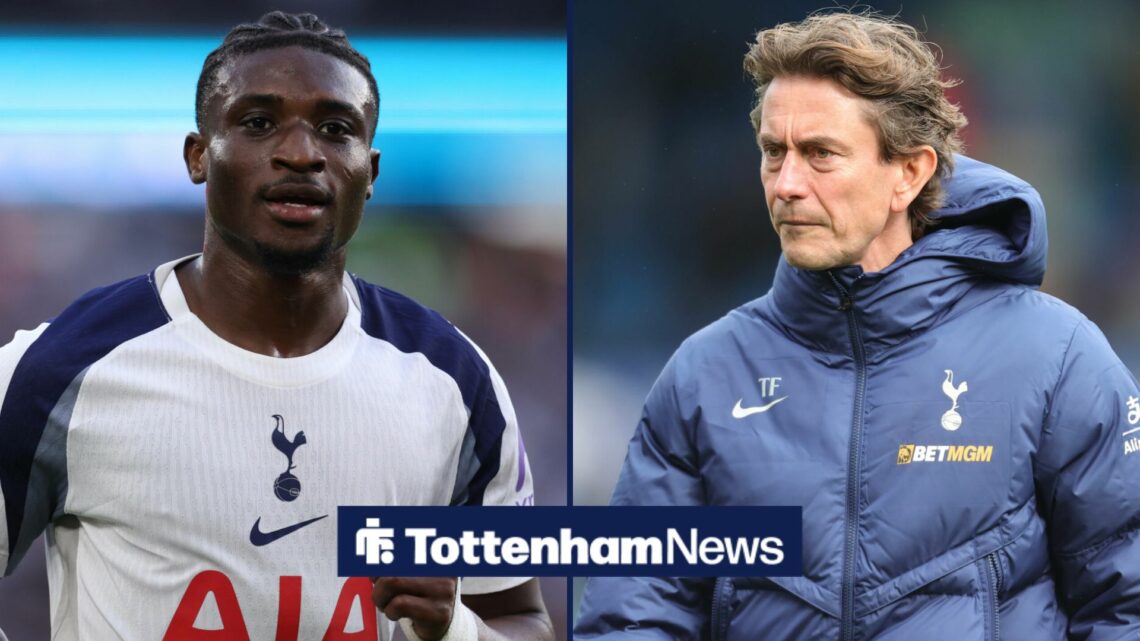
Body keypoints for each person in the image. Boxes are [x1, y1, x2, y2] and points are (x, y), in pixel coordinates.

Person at [575, 11, 1140, 641]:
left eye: (820, 154)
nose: (787, 185)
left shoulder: (1057, 358)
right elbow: (634, 616)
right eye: (773, 152)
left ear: (909, 173)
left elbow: (1127, 603)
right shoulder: (704, 374)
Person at [0, 12, 553, 641]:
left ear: (370, 172)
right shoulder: (61, 369)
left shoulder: (455, 381)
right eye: (259, 123)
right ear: (199, 156)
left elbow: (520, 618)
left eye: (335, 129)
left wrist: (455, 627)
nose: (301, 154)